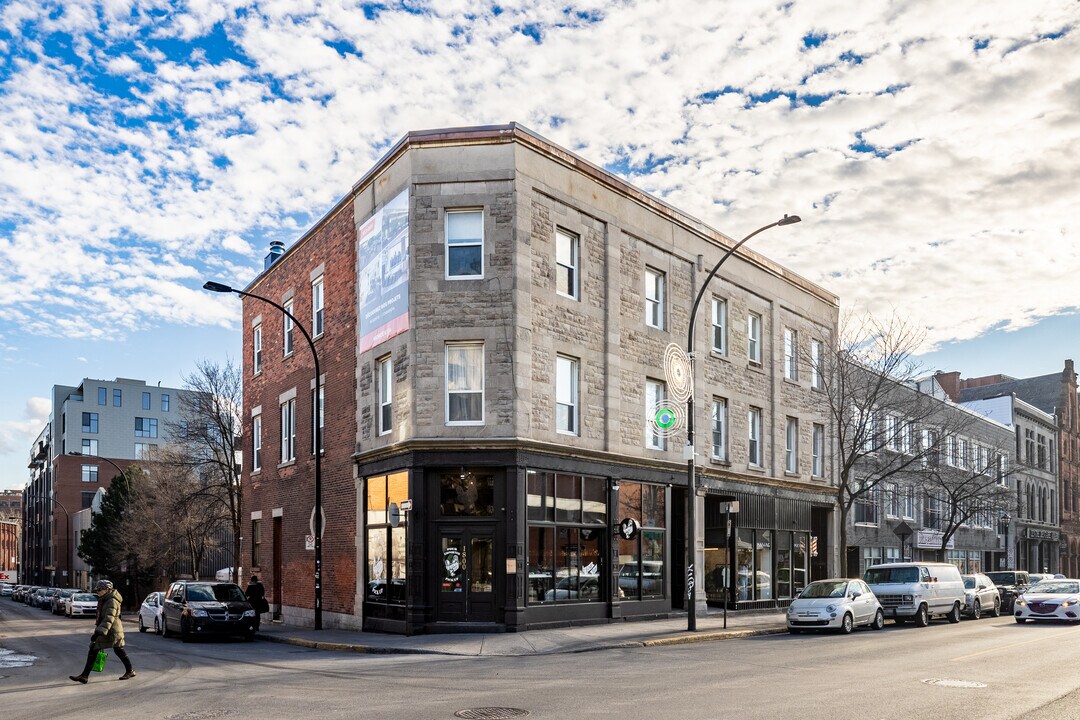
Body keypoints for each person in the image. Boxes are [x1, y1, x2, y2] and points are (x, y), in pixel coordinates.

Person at [69, 579, 135, 684]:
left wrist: (99, 631)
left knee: (117, 649)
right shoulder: (105, 599)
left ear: (107, 589)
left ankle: (130, 671)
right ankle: (84, 676)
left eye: (100, 589)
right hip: (106, 629)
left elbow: (109, 617)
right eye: (97, 589)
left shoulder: (112, 600)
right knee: (95, 649)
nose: (98, 591)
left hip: (112, 630)